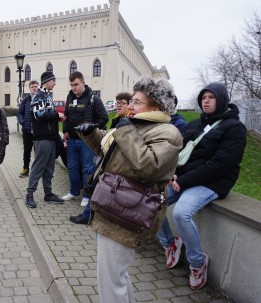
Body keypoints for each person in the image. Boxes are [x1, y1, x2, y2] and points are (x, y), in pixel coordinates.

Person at [75, 75, 182, 302]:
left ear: (156, 106)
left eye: (137, 101)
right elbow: (109, 153)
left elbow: (149, 167)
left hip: (127, 213)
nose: (130, 106)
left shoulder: (167, 133)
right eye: (131, 100)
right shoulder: (134, 126)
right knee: (116, 276)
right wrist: (92, 134)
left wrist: (125, 132)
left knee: (110, 281)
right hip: (112, 208)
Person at [157, 82, 246, 290]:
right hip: (184, 179)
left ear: (222, 100)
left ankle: (197, 264)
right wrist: (174, 175)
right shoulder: (195, 123)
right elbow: (182, 155)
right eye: (203, 98)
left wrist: (183, 181)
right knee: (154, 202)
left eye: (211, 97)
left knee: (181, 213)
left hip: (212, 182)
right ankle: (170, 244)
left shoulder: (234, 128)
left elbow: (219, 164)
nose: (206, 101)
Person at [62, 71, 108, 207]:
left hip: (87, 142)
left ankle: (87, 196)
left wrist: (92, 127)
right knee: (71, 167)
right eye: (71, 85)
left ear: (83, 83)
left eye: (76, 84)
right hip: (72, 141)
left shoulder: (94, 98)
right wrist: (65, 130)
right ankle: (74, 192)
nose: (73, 88)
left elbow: (104, 118)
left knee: (87, 169)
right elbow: (66, 116)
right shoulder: (70, 97)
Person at [25, 71, 65, 208]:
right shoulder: (38, 96)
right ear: (46, 81)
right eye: (53, 80)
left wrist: (57, 117)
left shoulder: (46, 95)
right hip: (42, 138)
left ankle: (48, 194)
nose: (55, 83)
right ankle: (29, 194)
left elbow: (48, 114)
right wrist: (56, 114)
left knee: (49, 168)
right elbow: (39, 116)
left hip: (51, 137)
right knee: (38, 166)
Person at [17, 80, 39, 178]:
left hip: (39, 132)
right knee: (27, 151)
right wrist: (23, 122)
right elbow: (19, 113)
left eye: (36, 86)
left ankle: (37, 171)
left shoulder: (41, 99)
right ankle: (25, 169)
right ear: (29, 88)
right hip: (27, 131)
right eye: (32, 86)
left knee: (38, 152)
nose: (34, 88)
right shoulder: (25, 100)